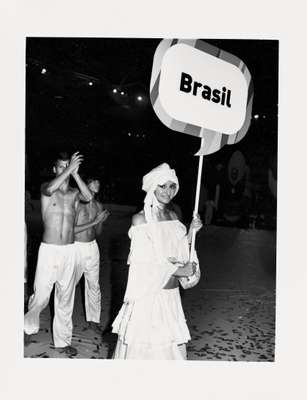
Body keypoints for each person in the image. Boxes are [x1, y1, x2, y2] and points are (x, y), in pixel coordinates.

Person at [112, 163, 202, 360]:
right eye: (162, 186)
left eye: (172, 186)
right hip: (150, 297)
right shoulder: (140, 220)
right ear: (153, 186)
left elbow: (177, 252)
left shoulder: (173, 216)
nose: (167, 191)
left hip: (171, 298)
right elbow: (143, 264)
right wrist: (180, 271)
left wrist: (191, 234)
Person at [24, 151, 93, 356]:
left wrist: (76, 174)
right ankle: (28, 327)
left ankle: (63, 342)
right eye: (61, 166)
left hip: (69, 250)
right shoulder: (48, 188)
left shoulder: (73, 194)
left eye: (68, 165)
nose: (65, 168)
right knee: (41, 294)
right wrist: (70, 169)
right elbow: (51, 188)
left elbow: (88, 197)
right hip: (49, 250)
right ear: (55, 169)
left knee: (65, 297)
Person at [74, 177, 110, 334]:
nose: (98, 184)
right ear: (85, 184)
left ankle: (93, 320)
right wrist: (95, 221)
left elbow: (98, 232)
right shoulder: (75, 202)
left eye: (99, 182)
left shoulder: (98, 205)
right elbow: (70, 229)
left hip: (93, 247)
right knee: (68, 284)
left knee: (94, 285)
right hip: (75, 247)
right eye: (95, 181)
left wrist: (101, 222)